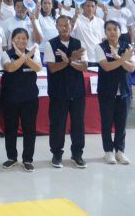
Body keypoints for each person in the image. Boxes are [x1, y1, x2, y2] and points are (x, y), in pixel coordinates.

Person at [43, 15, 88, 168]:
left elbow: (84, 66)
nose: (64, 28)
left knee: (78, 124)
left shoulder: (79, 43)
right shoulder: (50, 44)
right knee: (57, 124)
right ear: (56, 27)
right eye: (61, 25)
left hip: (77, 91)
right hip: (58, 91)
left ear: (71, 26)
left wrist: (67, 61)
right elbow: (53, 68)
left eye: (67, 25)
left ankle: (77, 154)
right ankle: (57, 154)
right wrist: (71, 60)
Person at [0, 27, 41, 172]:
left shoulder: (34, 53)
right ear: (12, 40)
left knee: (29, 129)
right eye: (18, 38)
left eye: (24, 38)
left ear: (27, 40)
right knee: (10, 128)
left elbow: (37, 68)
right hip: (10, 98)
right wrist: (24, 57)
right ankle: (11, 157)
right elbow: (10, 68)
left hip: (29, 98)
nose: (21, 41)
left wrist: (25, 56)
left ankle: (27, 159)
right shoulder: (6, 53)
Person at [95, 20, 135, 165]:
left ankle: (120, 151)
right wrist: (123, 59)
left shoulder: (127, 46)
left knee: (121, 123)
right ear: (105, 32)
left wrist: (119, 59)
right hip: (106, 90)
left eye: (115, 29)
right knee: (106, 122)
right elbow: (106, 67)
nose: (112, 32)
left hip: (124, 90)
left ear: (119, 31)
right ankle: (108, 151)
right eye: (109, 29)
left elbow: (131, 68)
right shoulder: (100, 47)